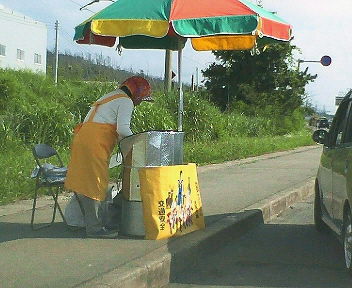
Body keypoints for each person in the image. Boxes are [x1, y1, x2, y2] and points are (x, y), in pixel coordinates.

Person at [64, 76, 152, 238]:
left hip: (82, 138)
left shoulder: (110, 96)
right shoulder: (126, 101)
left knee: (88, 181)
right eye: (142, 99)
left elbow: (110, 126)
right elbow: (123, 130)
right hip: (94, 143)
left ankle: (93, 222)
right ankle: (94, 229)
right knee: (95, 183)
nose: (140, 103)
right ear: (137, 94)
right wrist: (137, 145)